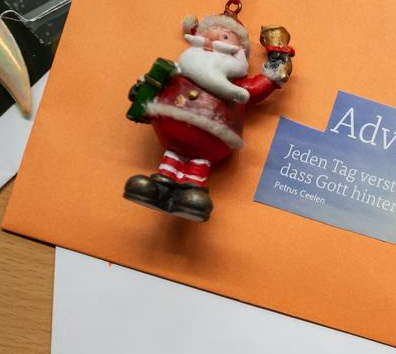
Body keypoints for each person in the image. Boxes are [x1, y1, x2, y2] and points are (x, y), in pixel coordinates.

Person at [124, 14, 294, 221]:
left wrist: (277, 62)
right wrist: (142, 90)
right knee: (172, 156)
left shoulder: (236, 85)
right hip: (171, 129)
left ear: (239, 51)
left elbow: (260, 86)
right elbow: (153, 82)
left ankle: (191, 193)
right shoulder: (178, 70)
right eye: (207, 35)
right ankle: (159, 186)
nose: (212, 40)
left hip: (213, 137)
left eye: (224, 37)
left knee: (197, 162)